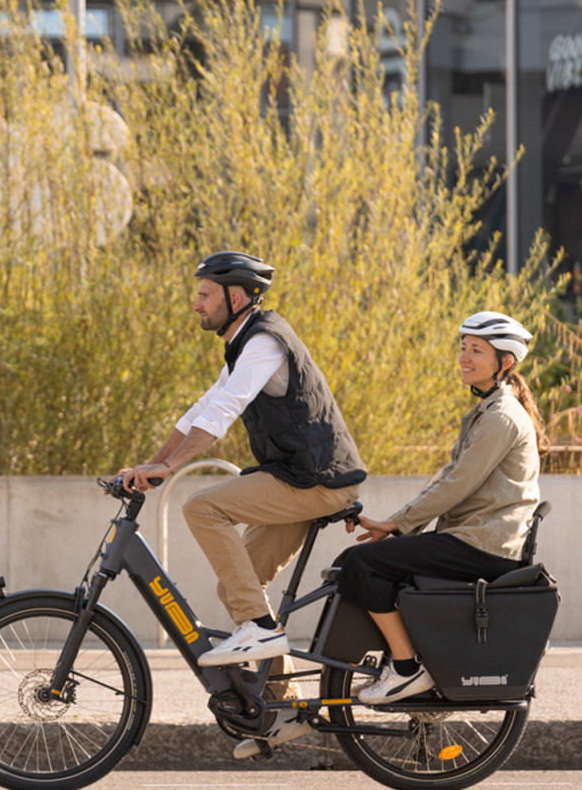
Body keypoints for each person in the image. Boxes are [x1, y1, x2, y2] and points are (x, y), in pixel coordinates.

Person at [115, 250, 366, 755]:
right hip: (300, 479)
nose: (196, 304)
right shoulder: (242, 345)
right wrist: (154, 464)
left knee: (202, 508)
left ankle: (258, 628)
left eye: (204, 295)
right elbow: (201, 409)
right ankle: (286, 709)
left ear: (236, 297)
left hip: (316, 481)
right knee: (238, 589)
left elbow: (225, 411)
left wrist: (170, 469)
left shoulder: (266, 342)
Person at [336, 311, 549, 706]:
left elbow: (455, 486)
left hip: (482, 546)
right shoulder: (487, 412)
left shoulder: (501, 418)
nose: (464, 358)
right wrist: (398, 526)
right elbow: (447, 478)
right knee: (354, 560)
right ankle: (404, 658)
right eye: (463, 348)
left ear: (505, 363)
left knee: (362, 564)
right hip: (473, 539)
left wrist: (398, 524)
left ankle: (405, 668)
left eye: (477, 351)